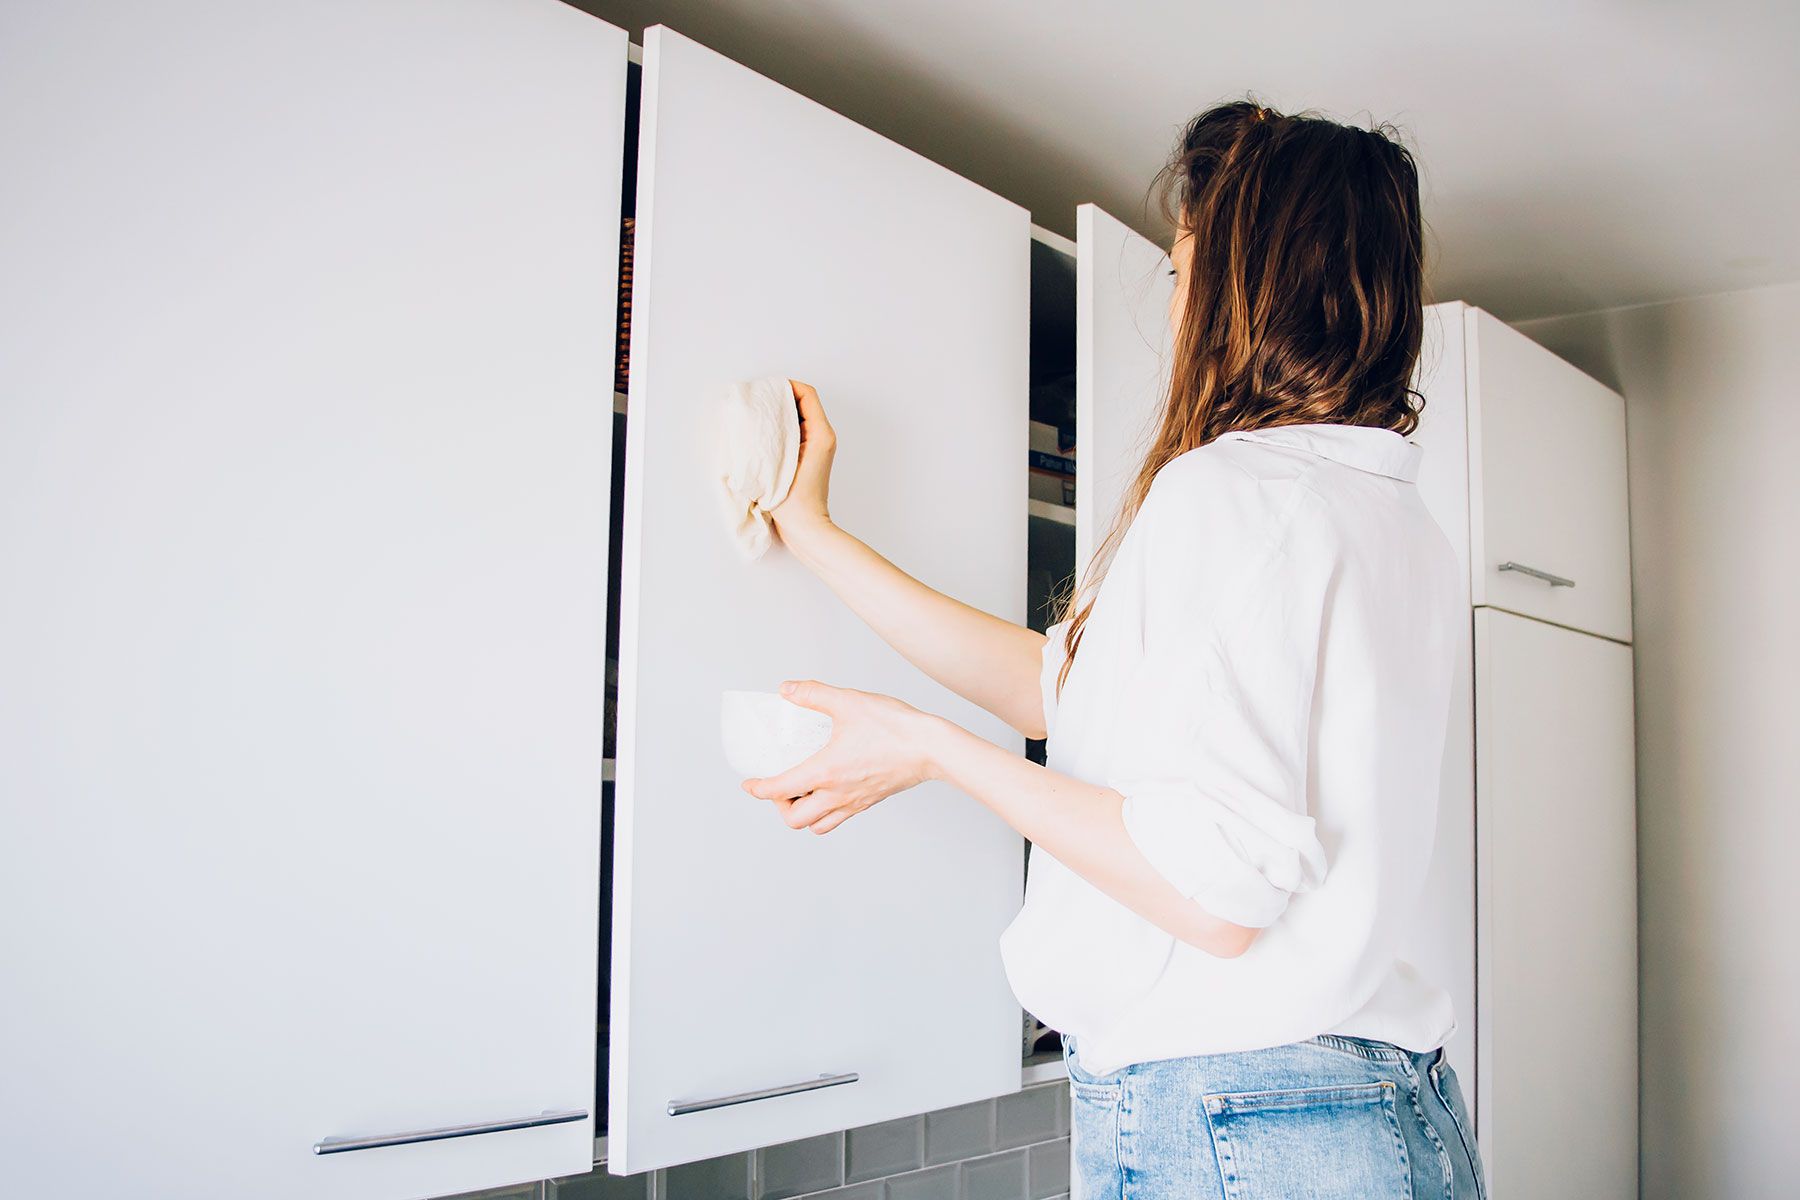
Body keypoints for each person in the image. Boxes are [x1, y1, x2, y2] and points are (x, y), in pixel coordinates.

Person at [743, 100, 1487, 1200]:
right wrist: (815, 534)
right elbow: (1061, 692)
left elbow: (1214, 895)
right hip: (1380, 1112)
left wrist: (932, 750)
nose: (1177, 305)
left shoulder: (1237, 493)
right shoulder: (1389, 522)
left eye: (1188, 276)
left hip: (1247, 1123)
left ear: (1249, 288)